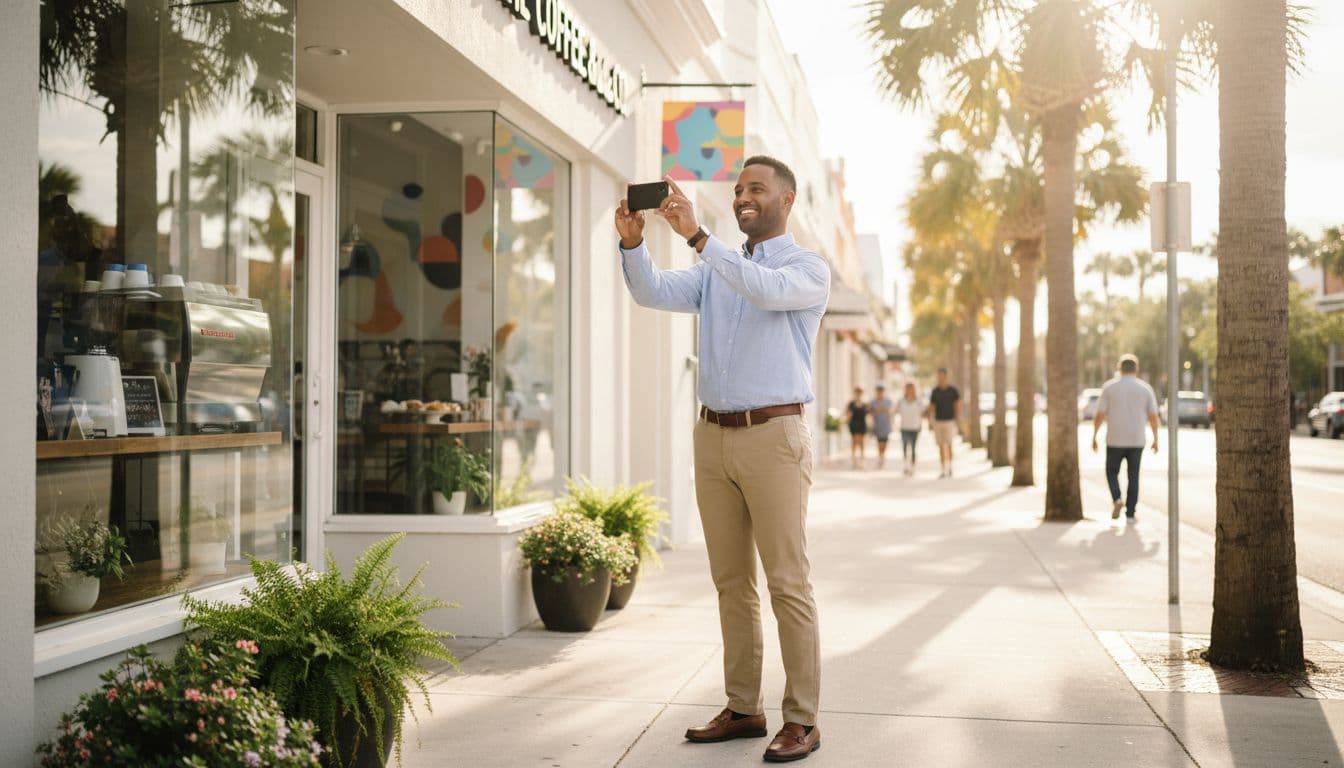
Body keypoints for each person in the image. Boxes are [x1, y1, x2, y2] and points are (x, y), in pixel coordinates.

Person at [616, 157, 828, 762]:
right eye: (738, 190)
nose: (743, 198)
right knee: (731, 583)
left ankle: (803, 719)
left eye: (756, 189)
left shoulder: (806, 268)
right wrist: (633, 246)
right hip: (712, 438)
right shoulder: (715, 269)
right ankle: (743, 706)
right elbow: (650, 292)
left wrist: (698, 237)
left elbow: (762, 289)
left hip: (775, 438)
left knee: (787, 582)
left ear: (786, 200)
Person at [1091, 354, 1160, 522]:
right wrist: (1156, 438)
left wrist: (1094, 436)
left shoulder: (1109, 388)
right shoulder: (1145, 389)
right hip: (1137, 439)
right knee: (1133, 476)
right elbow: (1153, 416)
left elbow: (1100, 414)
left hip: (1115, 439)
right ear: (1136, 369)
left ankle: (1117, 499)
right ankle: (1130, 514)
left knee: (1111, 472)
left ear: (1119, 369)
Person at [927, 368, 961, 478]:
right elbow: (932, 407)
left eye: (942, 376)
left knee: (949, 445)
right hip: (938, 421)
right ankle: (943, 468)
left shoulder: (953, 391)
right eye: (939, 376)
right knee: (941, 446)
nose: (940, 378)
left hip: (949, 421)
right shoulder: (935, 391)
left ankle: (950, 467)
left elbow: (957, 405)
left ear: (946, 377)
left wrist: (957, 419)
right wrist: (930, 421)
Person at [897, 382, 925, 476]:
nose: (909, 390)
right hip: (904, 427)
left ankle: (912, 467)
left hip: (914, 427)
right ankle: (906, 465)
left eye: (911, 388)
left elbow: (921, 414)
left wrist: (921, 424)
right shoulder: (901, 401)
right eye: (907, 388)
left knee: (913, 447)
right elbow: (896, 412)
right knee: (905, 447)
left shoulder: (918, 401)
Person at [870, 384, 894, 469]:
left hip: (886, 425)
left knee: (885, 442)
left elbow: (891, 412)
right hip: (877, 426)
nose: (880, 393)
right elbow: (871, 412)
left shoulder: (888, 401)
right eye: (878, 391)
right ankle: (880, 457)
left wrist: (881, 410)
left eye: (881, 391)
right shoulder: (873, 402)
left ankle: (883, 455)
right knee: (879, 442)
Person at [845, 387, 869, 469]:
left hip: (862, 424)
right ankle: (854, 459)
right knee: (854, 441)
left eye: (860, 392)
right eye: (857, 392)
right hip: (854, 424)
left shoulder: (865, 404)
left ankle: (862, 460)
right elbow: (848, 413)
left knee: (862, 442)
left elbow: (868, 414)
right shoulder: (851, 403)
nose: (858, 394)